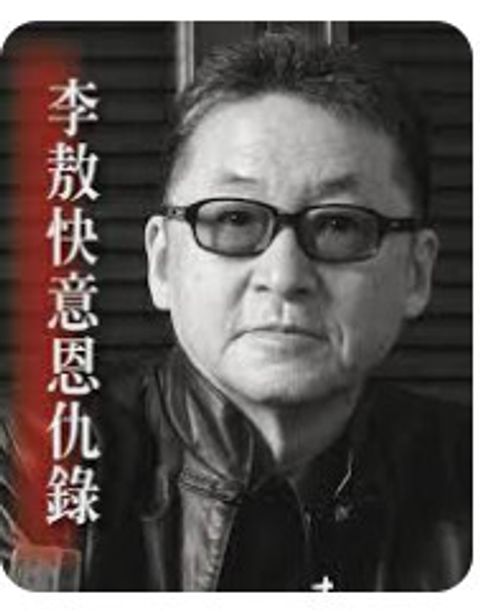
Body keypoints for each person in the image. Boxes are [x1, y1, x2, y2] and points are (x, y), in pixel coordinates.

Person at [1, 32, 471, 591]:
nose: (284, 277)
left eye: (339, 225)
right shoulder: (28, 464)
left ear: (416, 273)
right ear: (162, 262)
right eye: (234, 220)